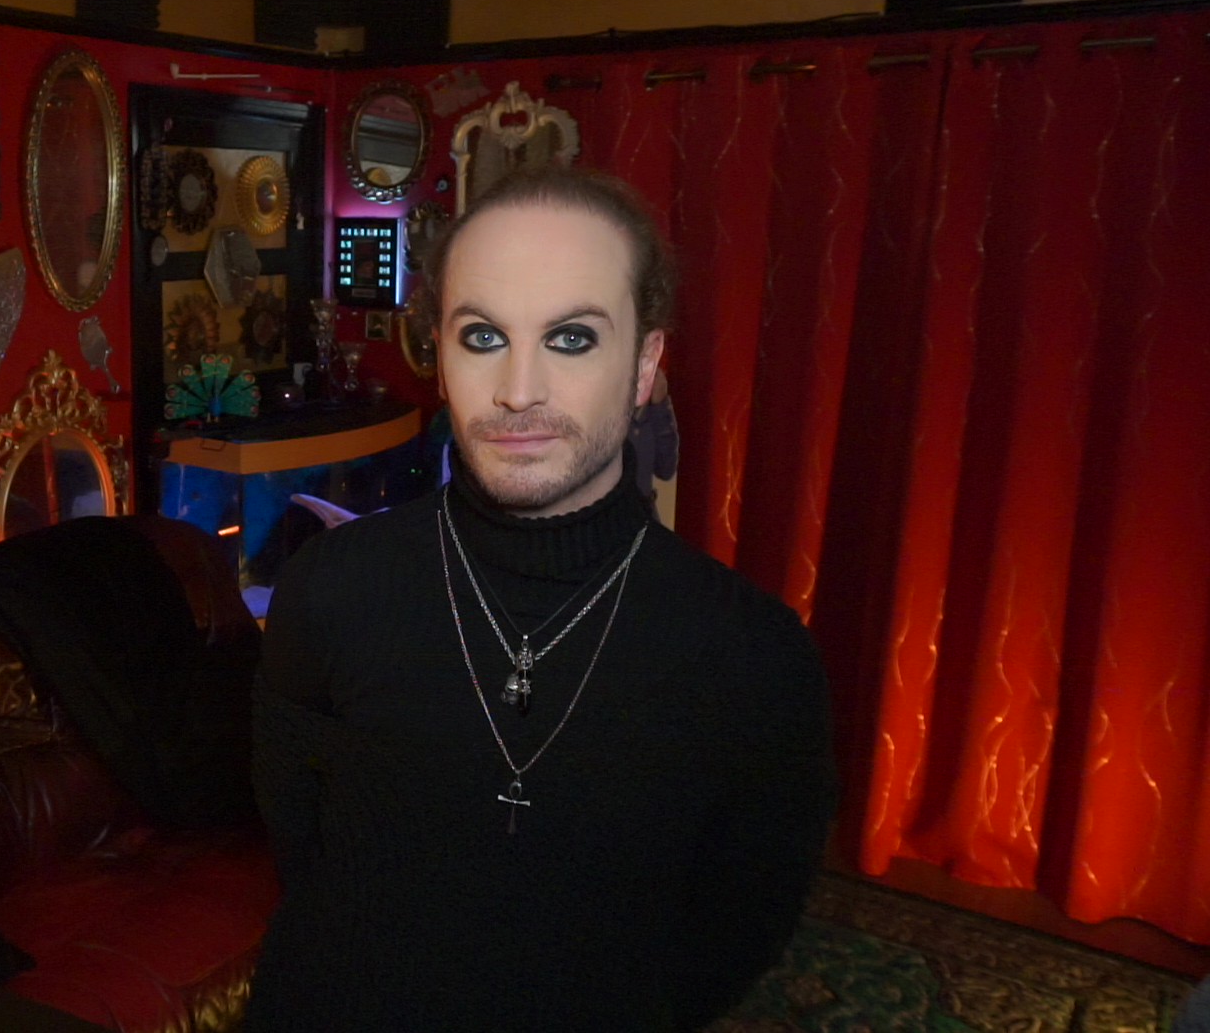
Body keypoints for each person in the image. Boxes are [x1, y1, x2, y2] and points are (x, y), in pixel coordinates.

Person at [248, 164, 837, 1032]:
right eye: (483, 336)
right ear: (440, 358)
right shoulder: (328, 588)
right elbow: (299, 844)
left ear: (644, 365)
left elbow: (732, 933)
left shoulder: (755, 659)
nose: (518, 390)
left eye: (571, 339)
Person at [631, 365, 679, 519]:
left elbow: (666, 469)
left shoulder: (653, 410)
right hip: (607, 520)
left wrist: (660, 405)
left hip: (644, 517)